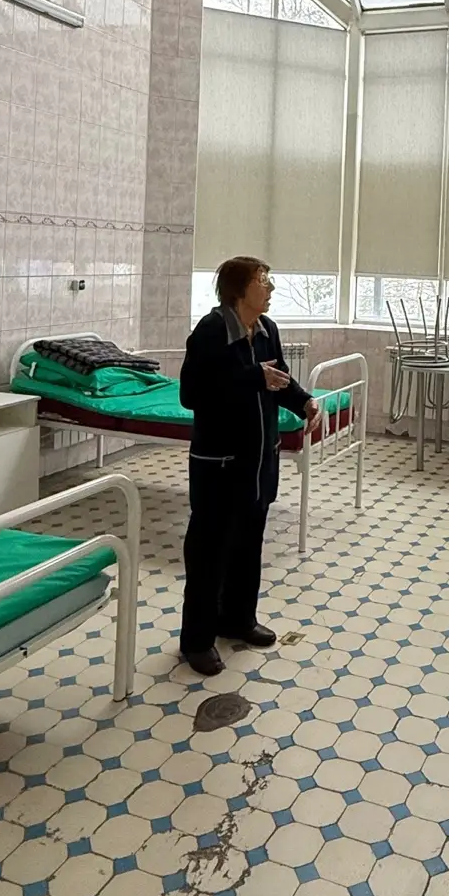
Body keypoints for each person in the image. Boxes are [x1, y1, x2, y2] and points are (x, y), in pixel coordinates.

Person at [177, 256, 322, 677]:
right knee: (209, 553)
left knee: (247, 544)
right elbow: (192, 393)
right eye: (263, 281)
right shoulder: (211, 331)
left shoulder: (267, 329)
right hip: (219, 466)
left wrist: (305, 401)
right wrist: (251, 377)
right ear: (239, 289)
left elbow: (279, 380)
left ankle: (238, 619)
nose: (270, 288)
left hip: (258, 463)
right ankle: (197, 641)